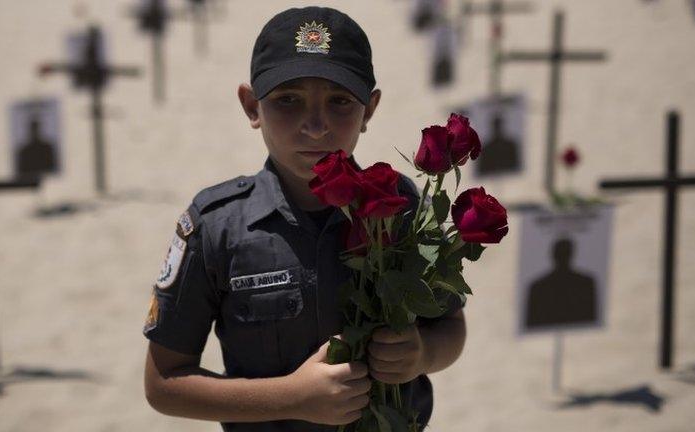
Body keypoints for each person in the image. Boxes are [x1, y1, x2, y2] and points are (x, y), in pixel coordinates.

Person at [142, 7, 466, 431]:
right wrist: (293, 398)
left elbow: (450, 327)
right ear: (251, 106)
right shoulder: (217, 226)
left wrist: (421, 354)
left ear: (369, 109)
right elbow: (164, 383)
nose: (315, 126)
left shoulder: (399, 203)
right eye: (288, 100)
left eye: (340, 101)